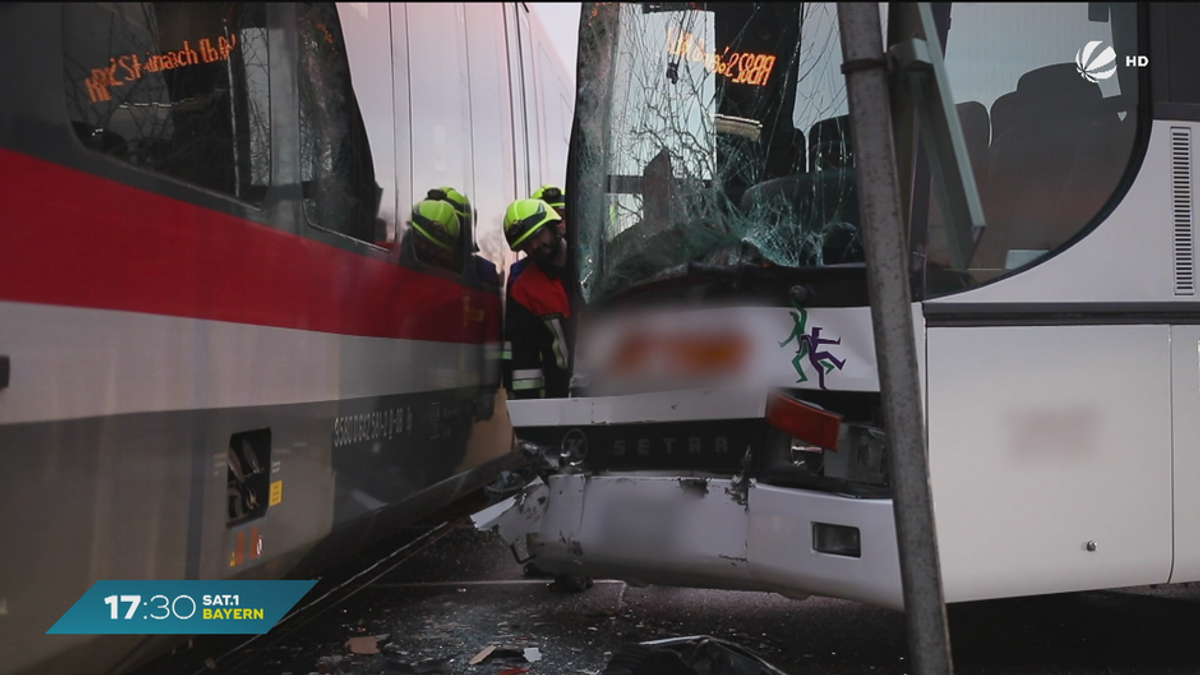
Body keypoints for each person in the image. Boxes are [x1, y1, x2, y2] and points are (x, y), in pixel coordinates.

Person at [502, 198, 573, 400]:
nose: (534, 245)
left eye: (537, 235)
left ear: (555, 226)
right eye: (526, 243)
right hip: (562, 395)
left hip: (615, 386)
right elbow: (525, 357)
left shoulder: (596, 265)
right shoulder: (524, 290)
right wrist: (528, 413)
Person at [404, 198, 462, 273]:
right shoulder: (387, 256)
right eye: (419, 238)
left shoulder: (445, 278)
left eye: (432, 247)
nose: (423, 247)